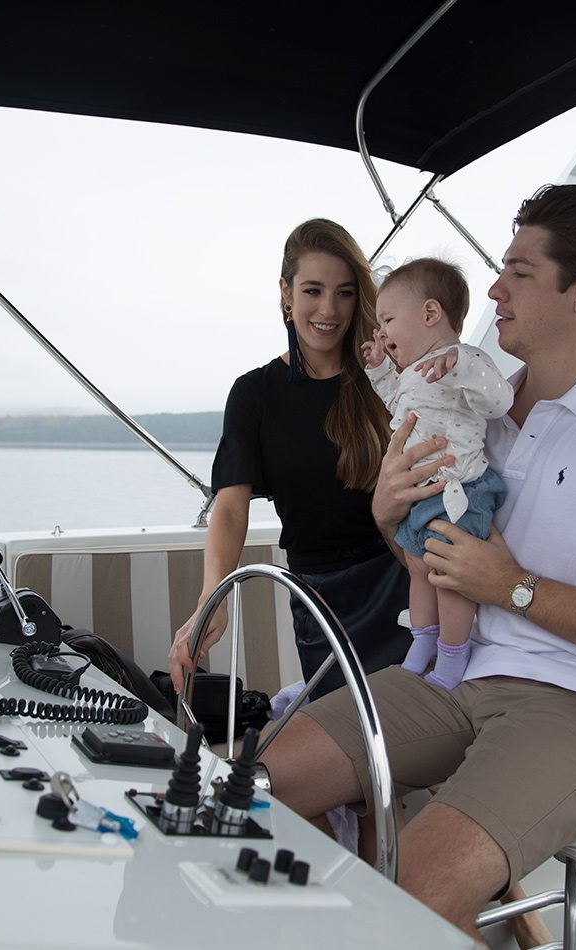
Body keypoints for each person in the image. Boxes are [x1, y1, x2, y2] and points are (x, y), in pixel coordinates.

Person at [259, 184, 576, 946]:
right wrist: (386, 519)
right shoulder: (474, 408)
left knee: (406, 902)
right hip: (453, 678)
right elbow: (436, 557)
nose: (494, 288)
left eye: (520, 273)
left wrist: (515, 588)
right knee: (245, 786)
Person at [168, 218, 411, 701]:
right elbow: (232, 507)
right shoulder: (254, 393)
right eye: (313, 291)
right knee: (347, 742)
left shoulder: (386, 377)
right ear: (285, 292)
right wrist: (210, 602)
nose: (328, 310)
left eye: (344, 293)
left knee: (416, 730)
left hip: (404, 582)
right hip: (319, 599)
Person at [362, 259, 513, 688]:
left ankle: (452, 656)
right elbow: (398, 401)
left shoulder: (464, 360)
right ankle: (422, 642)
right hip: (423, 494)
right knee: (417, 568)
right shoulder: (415, 372)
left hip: (459, 490)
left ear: (430, 314)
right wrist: (379, 368)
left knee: (450, 578)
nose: (383, 332)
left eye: (388, 319)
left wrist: (460, 367)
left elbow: (499, 401)